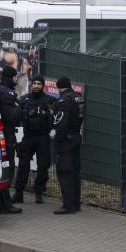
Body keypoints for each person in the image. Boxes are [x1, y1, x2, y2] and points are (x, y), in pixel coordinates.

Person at [12, 75, 55, 205]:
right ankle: (19, 193)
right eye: (34, 83)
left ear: (43, 86)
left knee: (43, 166)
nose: (36, 86)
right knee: (23, 165)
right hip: (28, 137)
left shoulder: (50, 100)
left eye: (39, 84)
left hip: (43, 137)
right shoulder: (25, 100)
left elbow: (57, 117)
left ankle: (39, 192)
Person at [52, 76, 85, 214]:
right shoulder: (79, 97)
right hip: (76, 136)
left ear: (59, 87)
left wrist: (57, 140)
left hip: (66, 140)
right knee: (75, 172)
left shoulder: (63, 101)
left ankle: (68, 205)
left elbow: (61, 124)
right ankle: (76, 203)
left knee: (64, 172)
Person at [0, 65, 22, 214]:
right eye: (15, 78)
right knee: (8, 167)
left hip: (1, 134)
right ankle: (4, 204)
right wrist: (20, 107)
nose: (16, 80)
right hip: (6, 135)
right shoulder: (7, 93)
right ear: (11, 78)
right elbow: (12, 116)